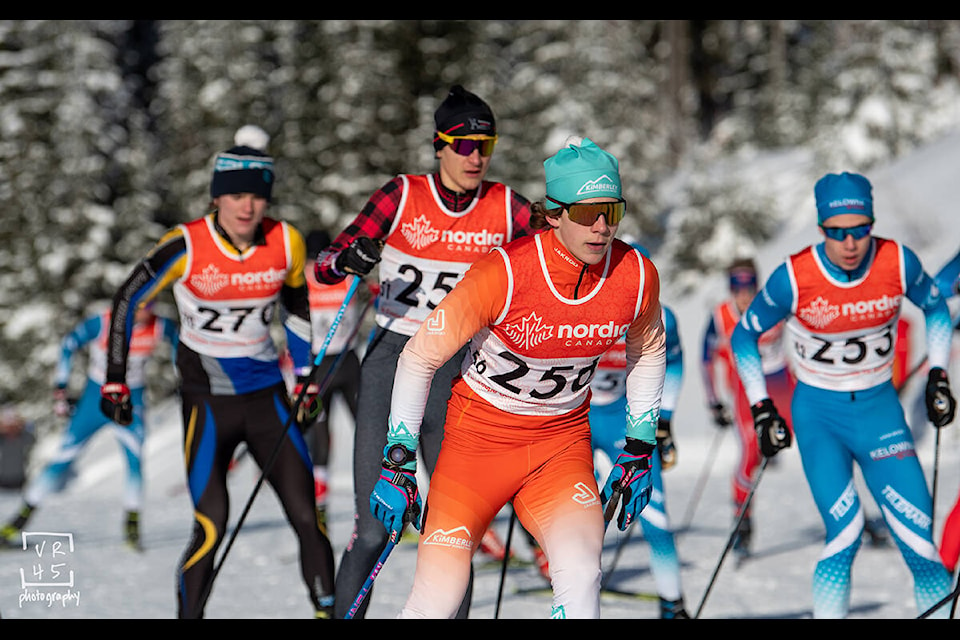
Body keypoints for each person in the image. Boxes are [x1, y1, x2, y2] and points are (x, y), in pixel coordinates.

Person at [368, 136, 666, 619]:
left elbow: (648, 350)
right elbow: (418, 357)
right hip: (475, 448)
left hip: (559, 448)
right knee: (438, 599)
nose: (601, 227)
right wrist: (398, 459)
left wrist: (639, 445)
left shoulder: (634, 275)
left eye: (611, 211)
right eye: (586, 212)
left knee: (581, 572)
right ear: (553, 214)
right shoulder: (503, 273)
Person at [314, 84, 534, 619]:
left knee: (452, 532)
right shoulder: (403, 195)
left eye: (485, 145)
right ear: (439, 146)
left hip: (461, 375)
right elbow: (325, 263)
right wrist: (351, 259)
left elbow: (558, 252)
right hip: (393, 360)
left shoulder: (505, 206)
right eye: (463, 145)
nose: (475, 157)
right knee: (372, 526)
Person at [98, 125, 337, 619]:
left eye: (256, 197)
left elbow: (295, 307)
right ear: (217, 198)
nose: (247, 208)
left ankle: (326, 611)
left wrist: (307, 375)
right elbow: (126, 300)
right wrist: (115, 379)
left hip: (268, 399)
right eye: (236, 197)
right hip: (207, 403)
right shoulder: (185, 244)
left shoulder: (286, 241)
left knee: (306, 519)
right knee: (212, 524)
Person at [730, 171, 957, 618]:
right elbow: (744, 337)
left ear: (872, 224)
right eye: (837, 233)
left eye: (859, 230)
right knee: (847, 532)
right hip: (820, 416)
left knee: (922, 550)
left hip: (880, 414)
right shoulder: (795, 277)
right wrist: (761, 407)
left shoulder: (896, 262)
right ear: (821, 229)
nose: (850, 243)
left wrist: (938, 375)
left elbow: (935, 308)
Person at [0, 303, 176, 551]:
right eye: (141, 306)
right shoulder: (103, 322)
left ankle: (132, 529)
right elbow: (69, 344)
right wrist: (61, 389)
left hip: (130, 402)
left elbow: (180, 345)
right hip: (95, 400)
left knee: (135, 462)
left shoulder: (160, 325)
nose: (146, 312)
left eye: (151, 305)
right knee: (62, 459)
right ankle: (16, 524)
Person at [589, 261, 689, 619]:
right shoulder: (583, 305)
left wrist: (665, 421)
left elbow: (674, 362)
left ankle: (673, 604)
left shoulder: (663, 317)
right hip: (576, 418)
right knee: (579, 516)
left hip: (624, 419)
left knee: (655, 514)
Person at [700, 257, 795, 557]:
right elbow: (706, 359)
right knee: (751, 452)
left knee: (821, 438)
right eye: (736, 287)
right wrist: (714, 401)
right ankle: (742, 519)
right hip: (744, 387)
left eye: (749, 286)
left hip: (781, 381)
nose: (743, 294)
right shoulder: (721, 315)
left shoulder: (773, 306)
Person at [300, 228, 374, 533]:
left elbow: (372, 289)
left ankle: (384, 504)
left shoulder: (342, 275)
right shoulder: (308, 278)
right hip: (320, 366)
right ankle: (319, 511)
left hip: (345, 362)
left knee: (369, 432)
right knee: (320, 440)